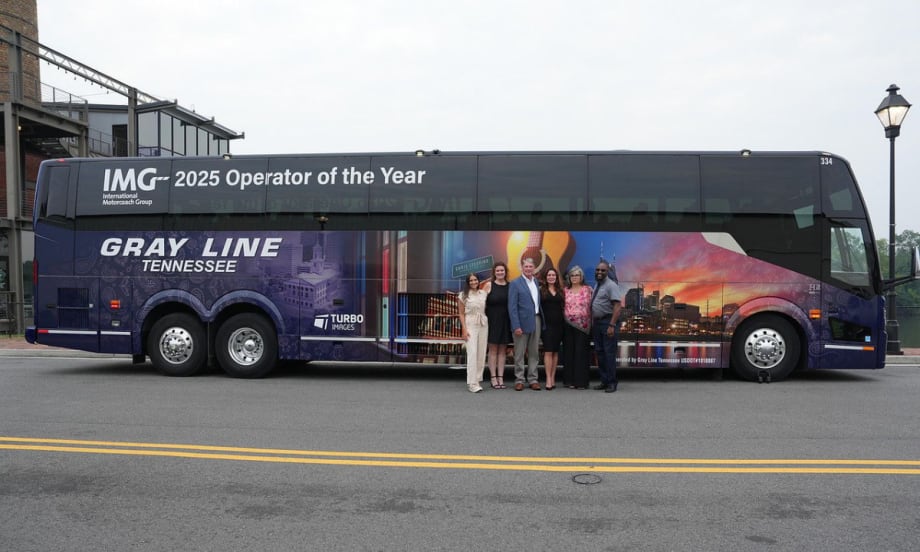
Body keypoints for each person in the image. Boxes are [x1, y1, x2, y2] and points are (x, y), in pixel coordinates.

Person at [508, 257, 542, 391]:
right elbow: (512, 307)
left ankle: (533, 379)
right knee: (520, 353)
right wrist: (516, 325)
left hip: (536, 319)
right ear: (522, 268)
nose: (528, 269)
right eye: (526, 266)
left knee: (534, 352)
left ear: (534, 268)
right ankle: (519, 380)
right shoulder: (515, 283)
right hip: (521, 323)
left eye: (530, 266)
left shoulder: (536, 282)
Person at [591, 260, 623, 393]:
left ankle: (612, 383)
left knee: (609, 354)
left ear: (608, 272)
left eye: (603, 270)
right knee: (600, 353)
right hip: (597, 323)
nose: (599, 272)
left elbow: (617, 306)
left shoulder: (611, 285)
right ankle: (604, 381)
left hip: (607, 322)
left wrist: (611, 325)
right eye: (598, 270)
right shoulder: (598, 284)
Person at [562, 265, 592, 389]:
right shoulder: (565, 290)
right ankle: (569, 381)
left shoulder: (588, 289)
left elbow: (592, 306)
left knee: (581, 353)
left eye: (577, 275)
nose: (574, 277)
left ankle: (581, 382)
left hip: (583, 327)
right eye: (572, 275)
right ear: (569, 278)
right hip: (568, 325)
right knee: (569, 353)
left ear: (581, 277)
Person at [457, 273, 488, 393]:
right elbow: (461, 313)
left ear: (479, 281)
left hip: (483, 323)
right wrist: (464, 329)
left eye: (475, 280)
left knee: (481, 352)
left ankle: (477, 379)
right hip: (470, 323)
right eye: (471, 280)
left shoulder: (483, 293)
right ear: (468, 282)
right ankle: (472, 383)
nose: (473, 282)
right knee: (472, 353)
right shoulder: (463, 295)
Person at [483, 262, 511, 389]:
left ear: (505, 272)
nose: (500, 272)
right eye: (498, 270)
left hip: (505, 321)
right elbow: (481, 304)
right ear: (494, 272)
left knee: (503, 351)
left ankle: (501, 377)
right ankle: (493, 377)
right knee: (493, 350)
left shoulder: (510, 286)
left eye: (502, 270)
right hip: (492, 321)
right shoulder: (489, 285)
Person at [540, 268, 564, 390]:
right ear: (546, 277)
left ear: (556, 277)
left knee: (555, 351)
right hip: (546, 326)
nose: (551, 277)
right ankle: (548, 379)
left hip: (559, 325)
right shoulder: (541, 290)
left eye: (553, 275)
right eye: (549, 275)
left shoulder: (561, 291)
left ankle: (553, 377)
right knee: (548, 351)